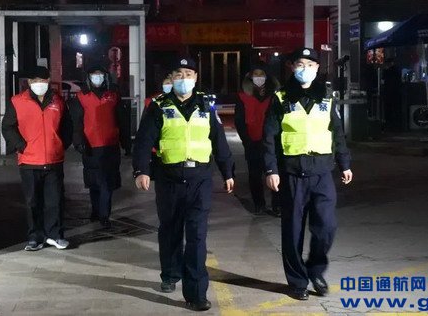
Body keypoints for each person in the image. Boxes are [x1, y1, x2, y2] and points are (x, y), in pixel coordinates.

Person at [133, 57, 235, 312]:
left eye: (188, 74)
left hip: (200, 179)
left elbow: (219, 141)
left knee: (197, 236)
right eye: (178, 74)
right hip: (168, 178)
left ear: (196, 78)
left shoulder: (206, 106)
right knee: (170, 230)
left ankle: (197, 293)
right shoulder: (159, 106)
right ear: (172, 78)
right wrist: (141, 170)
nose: (183, 79)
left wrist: (227, 172)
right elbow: (144, 141)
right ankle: (170, 274)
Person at [262, 48, 353, 301]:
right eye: (300, 64)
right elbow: (269, 137)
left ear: (317, 68)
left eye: (310, 65)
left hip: (322, 172)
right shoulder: (280, 98)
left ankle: (315, 270)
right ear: (292, 67)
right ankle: (297, 281)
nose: (305, 69)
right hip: (292, 173)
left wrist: (345, 163)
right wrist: (271, 169)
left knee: (326, 227)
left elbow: (337, 132)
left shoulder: (327, 97)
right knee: (293, 232)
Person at [1, 65, 73, 251]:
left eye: (42, 80)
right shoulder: (17, 101)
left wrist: (60, 145)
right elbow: (7, 127)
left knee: (54, 201)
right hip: (29, 161)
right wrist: (21, 145)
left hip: (53, 160)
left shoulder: (58, 101)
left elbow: (67, 126)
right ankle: (35, 237)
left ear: (48, 81)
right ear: (29, 82)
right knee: (32, 202)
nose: (38, 83)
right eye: (34, 80)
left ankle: (55, 236)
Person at [68, 63, 127, 229]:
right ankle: (96, 210)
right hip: (91, 146)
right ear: (88, 77)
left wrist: (125, 141)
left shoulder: (113, 94)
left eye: (100, 74)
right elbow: (77, 122)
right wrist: (78, 141)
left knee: (107, 182)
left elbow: (121, 118)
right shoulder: (81, 97)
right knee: (94, 181)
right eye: (94, 74)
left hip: (110, 145)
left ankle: (104, 215)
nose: (97, 77)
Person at [235, 61, 281, 216]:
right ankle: (259, 204)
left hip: (272, 142)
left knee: (275, 172)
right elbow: (239, 121)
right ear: (250, 76)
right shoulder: (243, 96)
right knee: (255, 175)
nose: (259, 77)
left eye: (262, 74)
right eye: (256, 74)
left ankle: (277, 205)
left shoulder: (276, 96)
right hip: (253, 142)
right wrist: (246, 141)